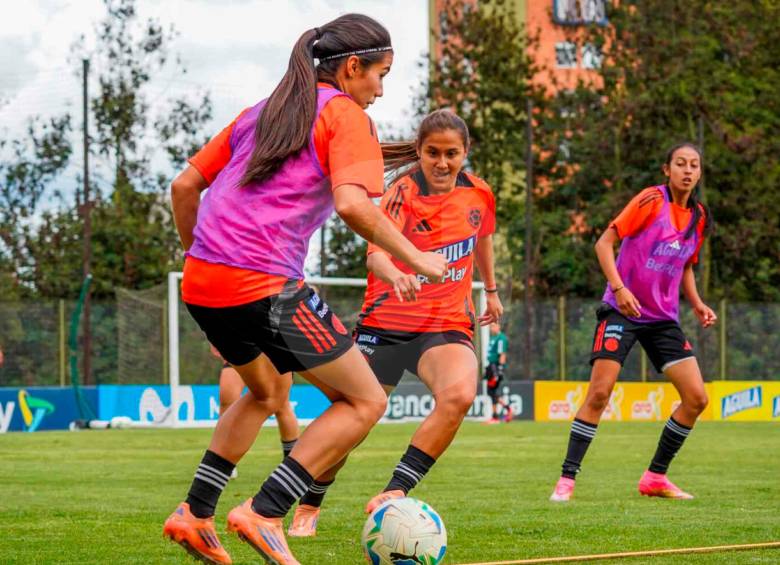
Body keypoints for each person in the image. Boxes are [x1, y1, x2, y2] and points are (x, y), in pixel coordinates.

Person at [162, 14, 446, 565]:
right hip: (263, 282)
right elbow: (352, 204)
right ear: (353, 66)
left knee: (268, 393)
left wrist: (202, 258)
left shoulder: (261, 111)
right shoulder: (345, 115)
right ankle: (265, 511)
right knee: (366, 400)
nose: (380, 90)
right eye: (380, 75)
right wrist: (415, 257)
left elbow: (184, 186)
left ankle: (194, 513)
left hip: (202, 281)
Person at [286, 109, 503, 538]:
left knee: (459, 395)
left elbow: (483, 239)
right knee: (352, 419)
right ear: (419, 151)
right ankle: (309, 504)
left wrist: (492, 290)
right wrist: (399, 274)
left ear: (466, 152)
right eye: (433, 153)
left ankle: (395, 491)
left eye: (452, 154)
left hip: (443, 324)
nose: (442, 162)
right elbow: (375, 256)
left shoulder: (480, 193)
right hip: (385, 326)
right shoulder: (401, 192)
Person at [549, 142, 716, 503]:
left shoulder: (699, 217)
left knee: (696, 398)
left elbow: (686, 265)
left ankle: (655, 477)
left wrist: (698, 303)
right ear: (667, 170)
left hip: (662, 319)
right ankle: (566, 481)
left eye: (694, 165)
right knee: (599, 393)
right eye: (681, 164)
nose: (688, 170)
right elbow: (603, 243)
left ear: (700, 173)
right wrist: (619, 288)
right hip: (622, 310)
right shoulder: (650, 200)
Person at [209, 344, 299, 479]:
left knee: (281, 404)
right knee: (227, 397)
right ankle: (223, 460)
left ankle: (292, 462)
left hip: (271, 346)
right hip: (242, 345)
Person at [484, 321, 512, 423]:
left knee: (492, 391)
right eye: (490, 326)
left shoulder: (501, 338)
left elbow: (502, 354)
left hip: (495, 367)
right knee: (491, 392)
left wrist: (499, 369)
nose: (491, 328)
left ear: (498, 326)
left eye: (493, 326)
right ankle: (507, 409)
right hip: (490, 367)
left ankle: (495, 417)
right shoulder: (492, 338)